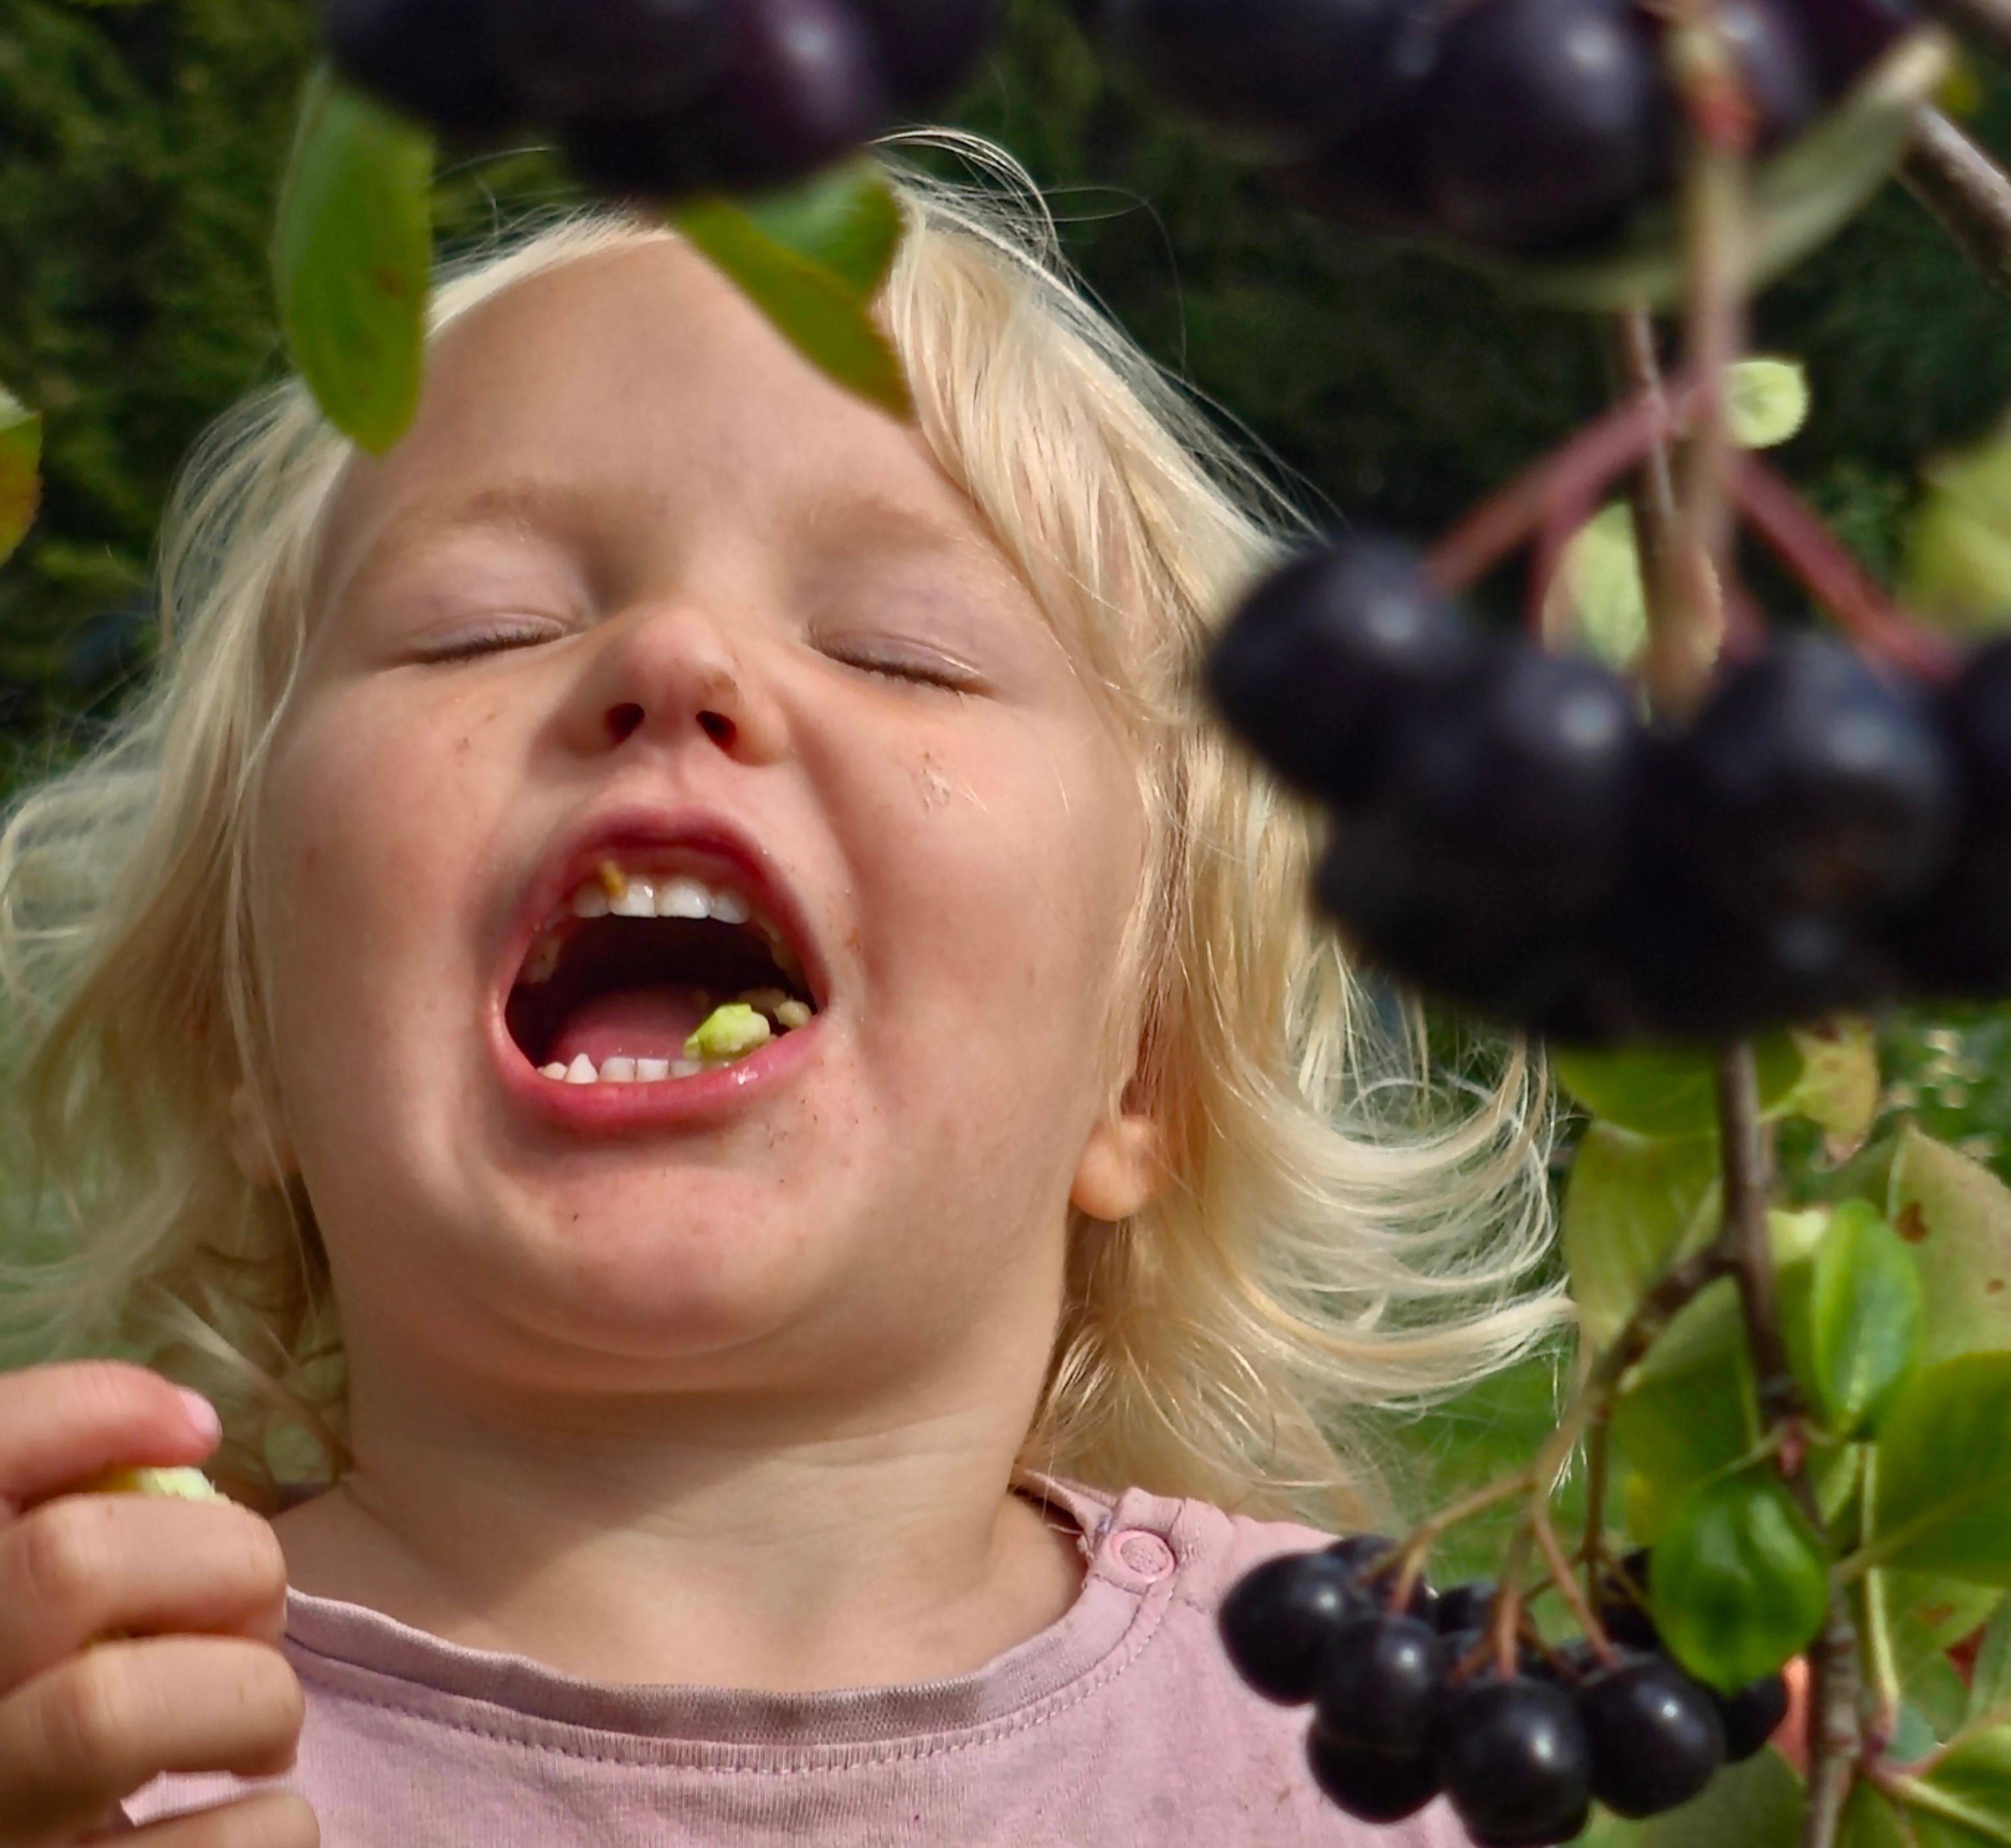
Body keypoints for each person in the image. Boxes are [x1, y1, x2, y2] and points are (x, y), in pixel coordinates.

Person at [0, 153, 1560, 1846]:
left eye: (903, 649)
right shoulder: (84, 1734)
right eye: (480, 625)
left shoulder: (1364, 1750)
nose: (676, 657)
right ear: (247, 1032)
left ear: (1148, 1066)